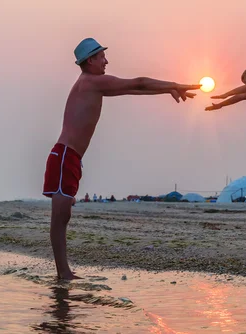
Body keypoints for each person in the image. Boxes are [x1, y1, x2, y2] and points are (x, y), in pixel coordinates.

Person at [42, 37, 200, 279]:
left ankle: (63, 273)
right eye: (102, 56)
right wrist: (174, 84)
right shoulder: (91, 82)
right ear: (90, 60)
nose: (107, 60)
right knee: (60, 219)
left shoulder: (93, 83)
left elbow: (134, 88)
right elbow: (138, 82)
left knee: (63, 217)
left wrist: (169, 88)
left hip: (69, 157)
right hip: (64, 157)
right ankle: (63, 273)